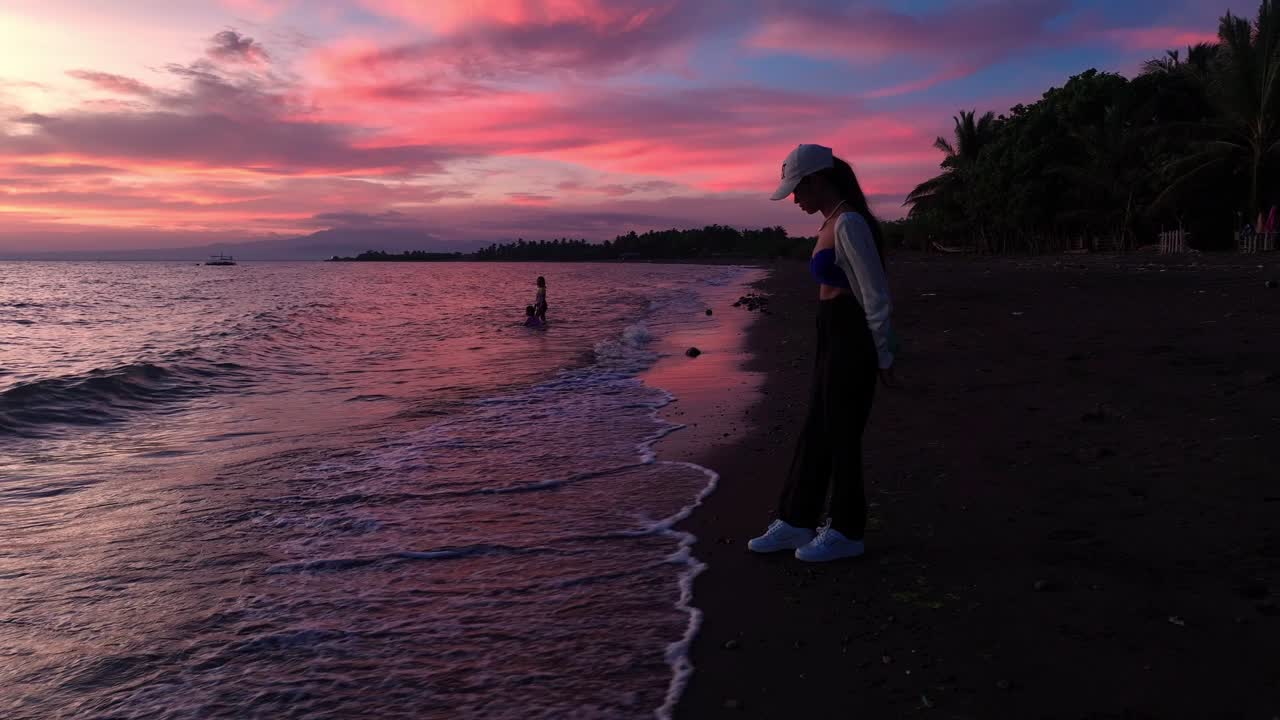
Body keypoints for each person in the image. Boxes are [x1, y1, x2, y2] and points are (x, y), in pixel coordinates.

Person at [747, 143, 898, 563]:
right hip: (831, 331)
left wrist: (884, 354)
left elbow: (876, 293)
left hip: (852, 334)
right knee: (818, 427)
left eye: (798, 189)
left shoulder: (849, 223)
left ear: (817, 180)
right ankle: (798, 520)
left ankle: (848, 531)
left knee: (841, 434)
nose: (795, 198)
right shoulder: (833, 221)